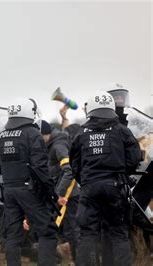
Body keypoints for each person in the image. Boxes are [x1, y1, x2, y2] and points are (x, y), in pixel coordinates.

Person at [70, 91, 142, 266]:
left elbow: (74, 164)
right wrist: (123, 173)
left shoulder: (81, 133)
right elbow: (134, 158)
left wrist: (85, 180)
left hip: (89, 188)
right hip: (115, 187)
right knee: (118, 233)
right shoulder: (121, 130)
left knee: (87, 234)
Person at [0, 98, 58, 266]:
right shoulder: (32, 134)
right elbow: (40, 167)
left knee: (13, 235)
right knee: (47, 231)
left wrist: (10, 171)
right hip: (30, 189)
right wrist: (50, 190)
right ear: (30, 114)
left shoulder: (0, 136)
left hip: (9, 190)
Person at [40, 120, 79, 262]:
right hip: (62, 194)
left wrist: (60, 193)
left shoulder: (58, 146)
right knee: (67, 230)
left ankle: (78, 261)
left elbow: (69, 171)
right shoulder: (52, 144)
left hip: (68, 195)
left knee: (73, 231)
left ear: (45, 134)